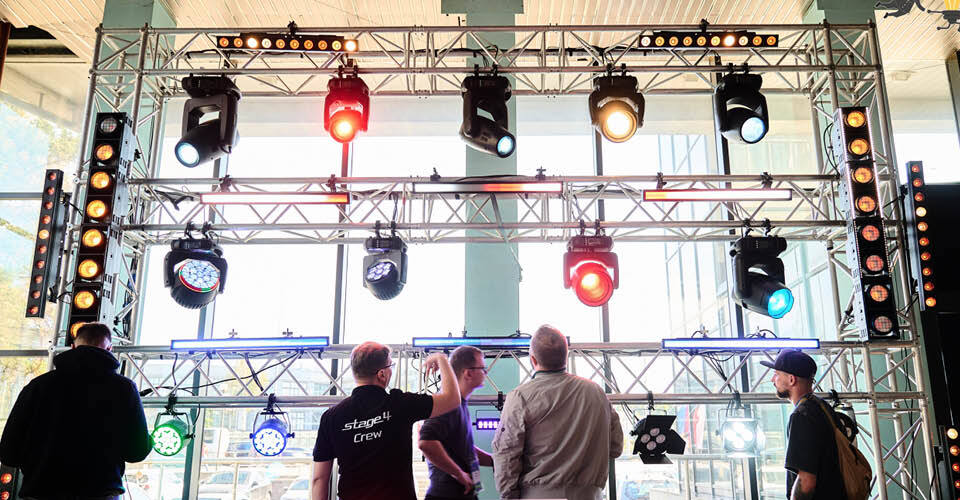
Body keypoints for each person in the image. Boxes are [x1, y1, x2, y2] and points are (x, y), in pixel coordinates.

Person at [0, 323, 152, 500]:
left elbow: (9, 453)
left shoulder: (39, 386)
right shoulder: (124, 389)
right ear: (109, 349)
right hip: (99, 493)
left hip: (42, 491)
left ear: (73, 347)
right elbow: (136, 452)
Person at [310, 341, 461, 500]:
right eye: (391, 366)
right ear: (382, 374)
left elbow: (319, 479)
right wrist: (441, 359)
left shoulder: (331, 417)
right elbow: (452, 399)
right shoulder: (400, 404)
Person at [492, 325, 623, 500]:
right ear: (566, 356)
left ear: (533, 360)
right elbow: (615, 447)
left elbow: (507, 454)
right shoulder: (597, 393)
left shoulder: (520, 397)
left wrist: (509, 495)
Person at [762, 349, 845, 500]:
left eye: (777, 374)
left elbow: (806, 482)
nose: (773, 379)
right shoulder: (823, 407)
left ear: (791, 380)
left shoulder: (801, 416)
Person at [418, 346, 494, 500]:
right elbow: (426, 442)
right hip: (446, 495)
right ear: (468, 373)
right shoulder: (448, 406)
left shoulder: (460, 404)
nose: (485, 373)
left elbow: (463, 448)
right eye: (482, 369)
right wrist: (458, 473)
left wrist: (495, 460)